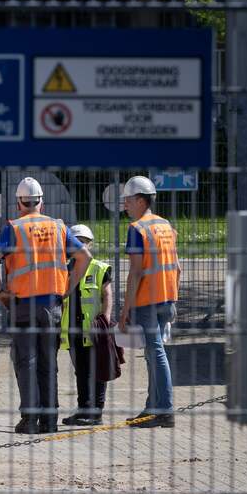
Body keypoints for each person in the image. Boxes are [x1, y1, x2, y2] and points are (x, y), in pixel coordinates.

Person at [0, 177, 90, 434]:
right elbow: (84, 256)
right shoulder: (58, 227)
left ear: (19, 203)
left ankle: (30, 419)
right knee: (48, 362)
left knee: (26, 362)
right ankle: (50, 420)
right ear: (41, 202)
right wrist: (68, 286)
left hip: (23, 305)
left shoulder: (14, 228)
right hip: (52, 305)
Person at [118, 175, 180, 428]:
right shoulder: (165, 225)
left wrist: (125, 311)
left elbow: (136, 273)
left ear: (141, 200)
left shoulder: (137, 229)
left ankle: (164, 409)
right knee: (154, 354)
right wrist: (174, 297)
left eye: (128, 201)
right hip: (167, 298)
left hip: (147, 300)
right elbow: (178, 266)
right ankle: (152, 408)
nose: (125, 205)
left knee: (156, 354)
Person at [59, 224, 113, 426]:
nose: (79, 245)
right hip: (73, 330)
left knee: (98, 369)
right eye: (76, 241)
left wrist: (105, 319)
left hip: (94, 329)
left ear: (90, 244)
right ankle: (84, 409)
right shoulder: (64, 269)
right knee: (81, 371)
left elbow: (107, 295)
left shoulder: (100, 268)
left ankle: (96, 411)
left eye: (83, 241)